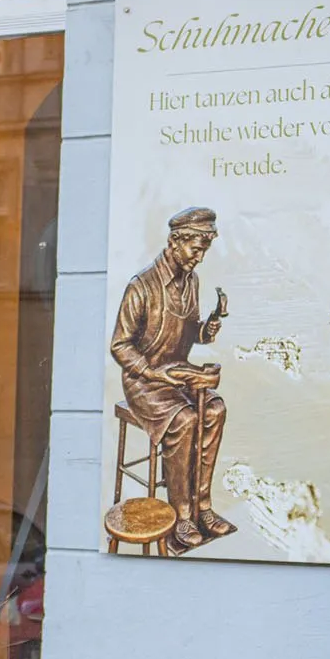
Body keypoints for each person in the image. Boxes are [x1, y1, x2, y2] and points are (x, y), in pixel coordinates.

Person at [108, 206, 232, 552]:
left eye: (205, 251)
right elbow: (119, 345)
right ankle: (181, 516)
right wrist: (151, 371)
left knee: (215, 410)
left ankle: (202, 507)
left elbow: (187, 333)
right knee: (186, 419)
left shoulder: (191, 281)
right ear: (176, 241)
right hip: (143, 382)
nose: (200, 258)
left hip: (176, 373)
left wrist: (206, 330)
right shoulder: (142, 285)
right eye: (196, 249)